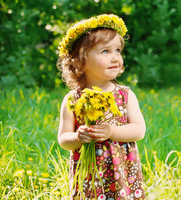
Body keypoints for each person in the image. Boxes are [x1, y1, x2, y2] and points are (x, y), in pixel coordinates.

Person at [56, 14, 146, 200]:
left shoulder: (125, 95)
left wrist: (110, 131)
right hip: (89, 176)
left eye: (118, 50)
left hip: (123, 175)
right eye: (105, 51)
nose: (115, 58)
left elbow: (139, 130)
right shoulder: (73, 99)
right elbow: (63, 138)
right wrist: (78, 137)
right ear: (80, 62)